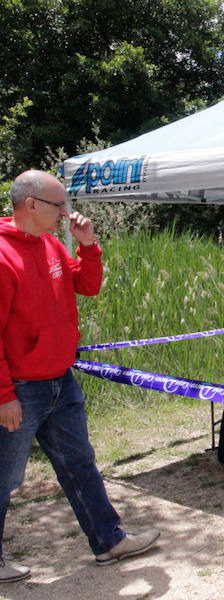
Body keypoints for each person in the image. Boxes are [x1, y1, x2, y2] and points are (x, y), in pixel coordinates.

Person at [0, 171, 159, 582]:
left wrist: (89, 247)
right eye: (59, 206)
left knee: (80, 464)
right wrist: (3, 395)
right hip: (20, 389)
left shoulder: (52, 244)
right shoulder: (3, 256)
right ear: (31, 205)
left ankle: (109, 540)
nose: (66, 213)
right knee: (4, 477)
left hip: (60, 381)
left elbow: (87, 287)